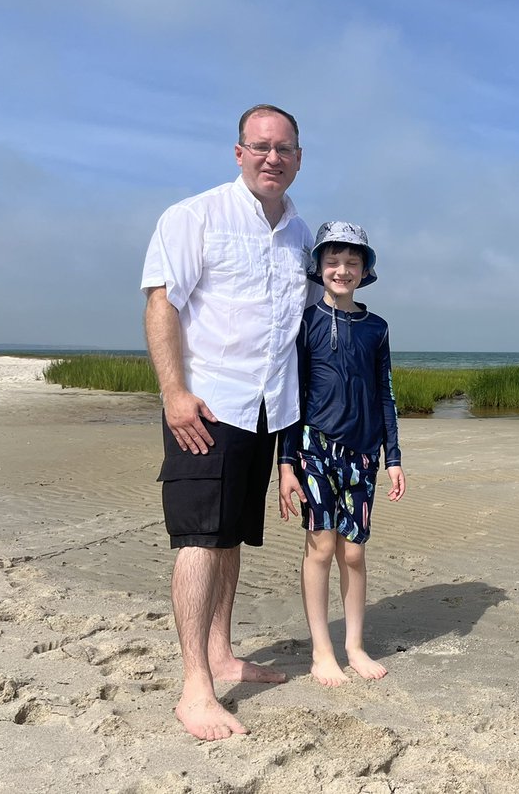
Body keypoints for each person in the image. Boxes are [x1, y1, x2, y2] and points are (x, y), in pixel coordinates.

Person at [141, 104, 316, 741]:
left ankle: (221, 653)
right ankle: (195, 688)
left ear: (299, 157)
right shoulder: (195, 215)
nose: (273, 157)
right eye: (261, 146)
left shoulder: (301, 234)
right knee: (198, 537)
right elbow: (163, 301)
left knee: (232, 535)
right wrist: (174, 392)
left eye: (285, 148)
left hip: (267, 408)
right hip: (208, 404)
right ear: (238, 151)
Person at [277, 221, 406, 686]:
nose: (342, 269)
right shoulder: (305, 322)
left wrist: (393, 457)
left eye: (353, 262)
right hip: (313, 447)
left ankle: (354, 645)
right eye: (333, 261)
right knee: (321, 547)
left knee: (353, 554)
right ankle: (321, 651)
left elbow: (386, 395)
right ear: (319, 267)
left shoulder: (377, 328)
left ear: (365, 270)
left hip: (364, 455)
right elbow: (292, 397)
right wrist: (286, 463)